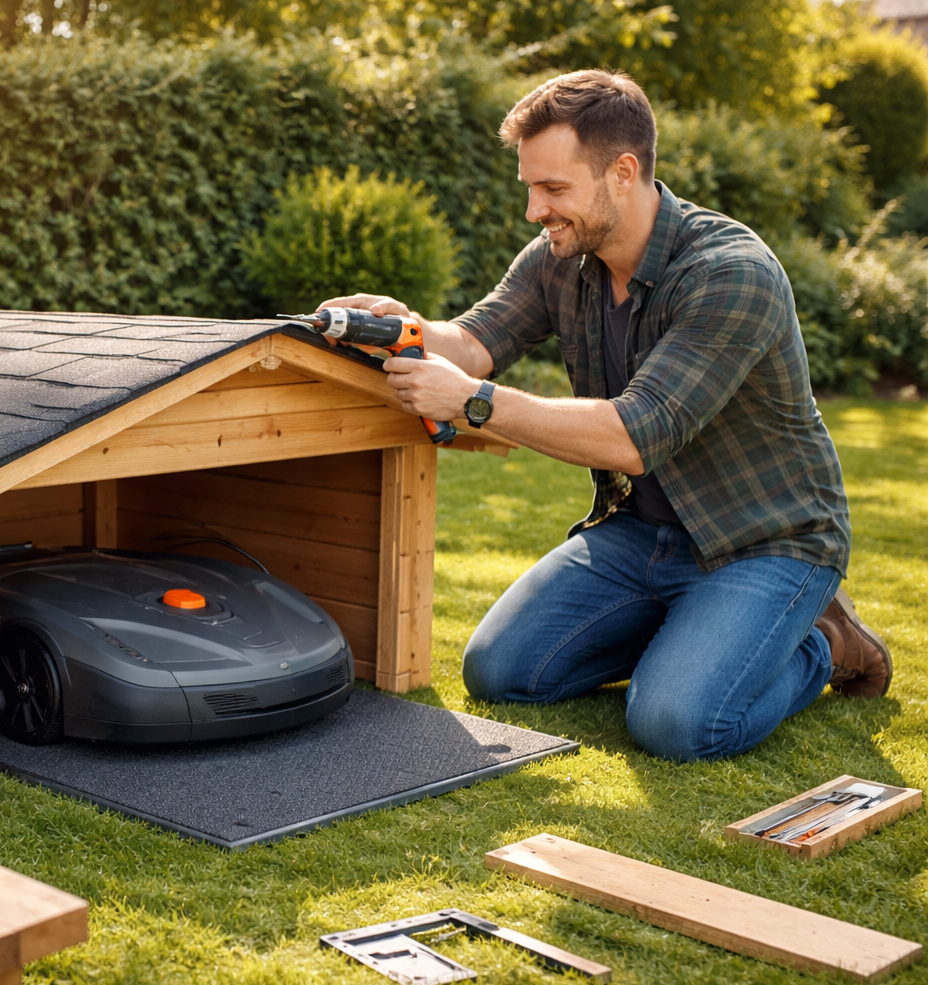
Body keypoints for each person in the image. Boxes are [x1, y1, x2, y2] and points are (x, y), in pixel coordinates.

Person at [320, 69, 892, 762]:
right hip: (640, 533)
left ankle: (824, 645)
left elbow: (633, 436)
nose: (535, 210)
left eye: (554, 189)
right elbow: (473, 342)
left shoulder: (731, 273)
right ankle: (700, 631)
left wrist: (476, 404)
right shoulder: (563, 257)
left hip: (765, 541)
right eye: (531, 186)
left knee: (676, 724)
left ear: (623, 172)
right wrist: (404, 328)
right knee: (501, 674)